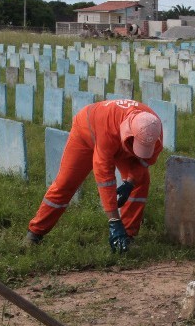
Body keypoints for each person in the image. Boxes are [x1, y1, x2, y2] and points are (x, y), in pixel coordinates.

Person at [26, 99, 163, 252]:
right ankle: (35, 233)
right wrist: (113, 220)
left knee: (140, 182)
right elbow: (104, 177)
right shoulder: (107, 130)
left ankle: (127, 237)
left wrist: (130, 182)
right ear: (129, 132)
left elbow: (144, 162)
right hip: (86, 133)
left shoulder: (154, 130)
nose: (135, 151)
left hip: (120, 140)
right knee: (66, 183)